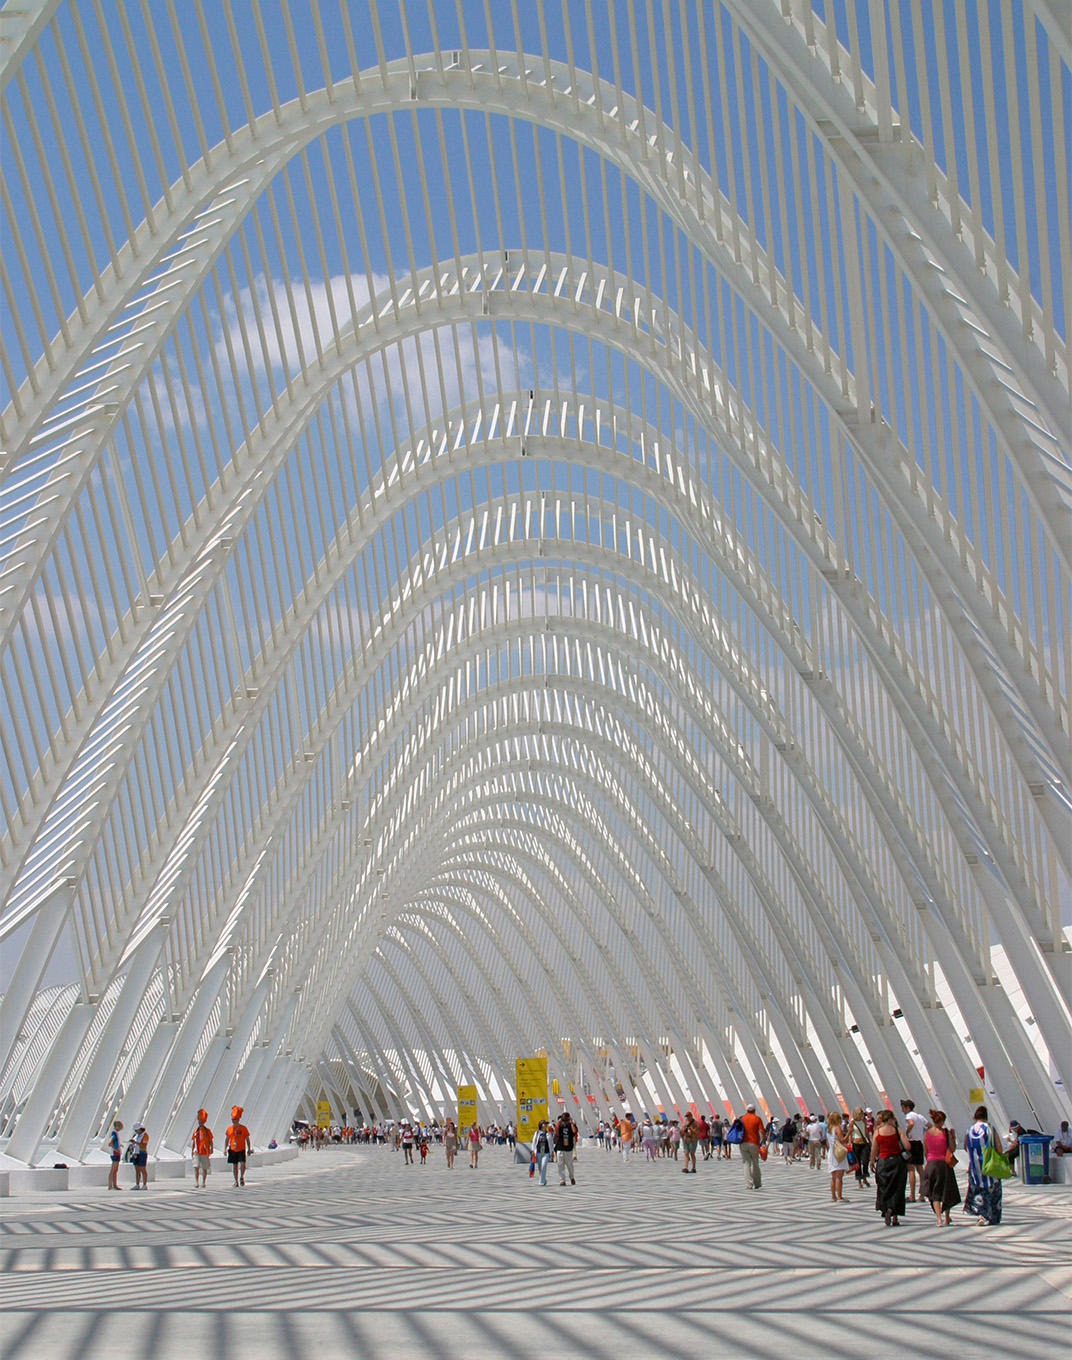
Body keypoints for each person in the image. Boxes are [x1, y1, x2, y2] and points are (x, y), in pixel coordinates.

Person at [964, 1105, 1004, 1226]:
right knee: (993, 1191)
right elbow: (999, 1147)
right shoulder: (990, 1129)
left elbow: (965, 1146)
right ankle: (993, 1217)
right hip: (990, 1166)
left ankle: (980, 1215)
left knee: (978, 1190)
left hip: (975, 1168)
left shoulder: (969, 1130)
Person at [920, 1109, 961, 1226]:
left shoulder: (926, 1133)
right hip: (944, 1164)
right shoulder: (945, 1133)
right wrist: (953, 1137)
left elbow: (926, 1151)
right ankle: (947, 1217)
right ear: (942, 1121)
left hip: (932, 1164)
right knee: (946, 1191)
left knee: (935, 1192)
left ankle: (939, 1219)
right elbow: (952, 1149)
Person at [870, 1109, 909, 1227]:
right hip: (897, 1161)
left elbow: (874, 1149)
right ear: (891, 1119)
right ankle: (895, 1216)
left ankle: (886, 1208)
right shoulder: (897, 1130)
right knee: (897, 1188)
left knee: (884, 1187)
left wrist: (871, 1162)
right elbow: (907, 1146)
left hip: (883, 1162)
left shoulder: (877, 1132)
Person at [900, 1099, 927, 1202]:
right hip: (919, 1143)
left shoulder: (909, 1116)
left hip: (912, 1143)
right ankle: (922, 1194)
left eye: (903, 1108)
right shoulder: (920, 1116)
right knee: (920, 1169)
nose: (902, 1110)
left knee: (911, 1169)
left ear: (907, 1108)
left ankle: (912, 1195)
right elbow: (929, 1125)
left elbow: (911, 1123)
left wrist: (907, 1132)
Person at [738, 1102, 765, 1189]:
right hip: (754, 1143)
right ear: (754, 1110)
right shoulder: (757, 1119)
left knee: (746, 1163)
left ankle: (749, 1183)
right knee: (755, 1163)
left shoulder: (742, 1118)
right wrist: (763, 1142)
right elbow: (761, 1131)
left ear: (747, 1110)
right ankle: (757, 1183)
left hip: (743, 1143)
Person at [825, 1111, 850, 1201]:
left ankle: (833, 1196)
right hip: (838, 1153)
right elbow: (842, 1140)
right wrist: (849, 1133)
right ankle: (839, 1196)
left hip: (831, 1153)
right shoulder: (837, 1128)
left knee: (833, 1176)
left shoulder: (829, 1129)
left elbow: (828, 1143)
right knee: (839, 1176)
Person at [225, 1105, 251, 1187]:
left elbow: (247, 1138)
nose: (234, 1121)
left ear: (238, 1119)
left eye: (235, 1119)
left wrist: (249, 1148)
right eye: (232, 1119)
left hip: (241, 1149)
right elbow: (227, 1139)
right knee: (235, 1165)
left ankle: (242, 1176)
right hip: (233, 1149)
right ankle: (236, 1181)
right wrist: (225, 1149)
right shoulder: (229, 1128)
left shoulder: (243, 1128)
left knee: (243, 1163)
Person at [191, 1109, 213, 1188]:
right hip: (197, 1151)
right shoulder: (196, 1131)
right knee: (196, 1167)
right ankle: (196, 1182)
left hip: (204, 1151)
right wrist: (192, 1151)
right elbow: (194, 1142)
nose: (200, 1123)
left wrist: (211, 1148)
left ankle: (203, 1182)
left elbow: (210, 1140)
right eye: (199, 1122)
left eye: (201, 1122)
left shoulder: (207, 1131)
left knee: (204, 1168)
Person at [848, 1106, 870, 1187]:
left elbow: (866, 1132)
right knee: (857, 1163)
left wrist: (869, 1141)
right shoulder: (852, 1123)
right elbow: (850, 1134)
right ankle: (859, 1180)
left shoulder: (864, 1121)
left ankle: (865, 1177)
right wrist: (850, 1143)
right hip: (856, 1143)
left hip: (863, 1142)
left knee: (865, 1160)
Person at [554, 1111, 577, 1185]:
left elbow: (574, 1131)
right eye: (564, 1120)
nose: (565, 1121)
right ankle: (562, 1180)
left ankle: (572, 1177)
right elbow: (557, 1133)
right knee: (560, 1164)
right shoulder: (560, 1125)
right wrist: (559, 1122)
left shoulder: (571, 1125)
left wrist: (571, 1122)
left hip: (568, 1148)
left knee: (570, 1165)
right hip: (560, 1147)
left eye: (566, 1120)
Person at [532, 1119, 554, 1186]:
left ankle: (541, 1182)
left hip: (546, 1152)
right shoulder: (537, 1133)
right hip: (539, 1152)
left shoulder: (548, 1133)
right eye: (544, 1124)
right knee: (540, 1167)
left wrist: (552, 1151)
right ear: (541, 1125)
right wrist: (533, 1150)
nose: (545, 1125)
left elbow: (551, 1143)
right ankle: (543, 1179)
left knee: (544, 1165)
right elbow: (534, 1142)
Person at [130, 1123, 149, 1190]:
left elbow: (144, 1145)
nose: (135, 1131)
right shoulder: (136, 1136)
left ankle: (144, 1184)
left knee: (142, 1168)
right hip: (136, 1153)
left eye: (136, 1130)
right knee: (137, 1169)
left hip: (142, 1153)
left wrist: (136, 1143)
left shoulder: (145, 1135)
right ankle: (137, 1184)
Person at [106, 1119, 123, 1190]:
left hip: (117, 1153)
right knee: (113, 1169)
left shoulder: (115, 1133)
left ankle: (115, 1184)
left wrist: (119, 1145)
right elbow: (110, 1142)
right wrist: (115, 1149)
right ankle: (110, 1185)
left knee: (116, 1169)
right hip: (115, 1153)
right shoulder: (114, 1133)